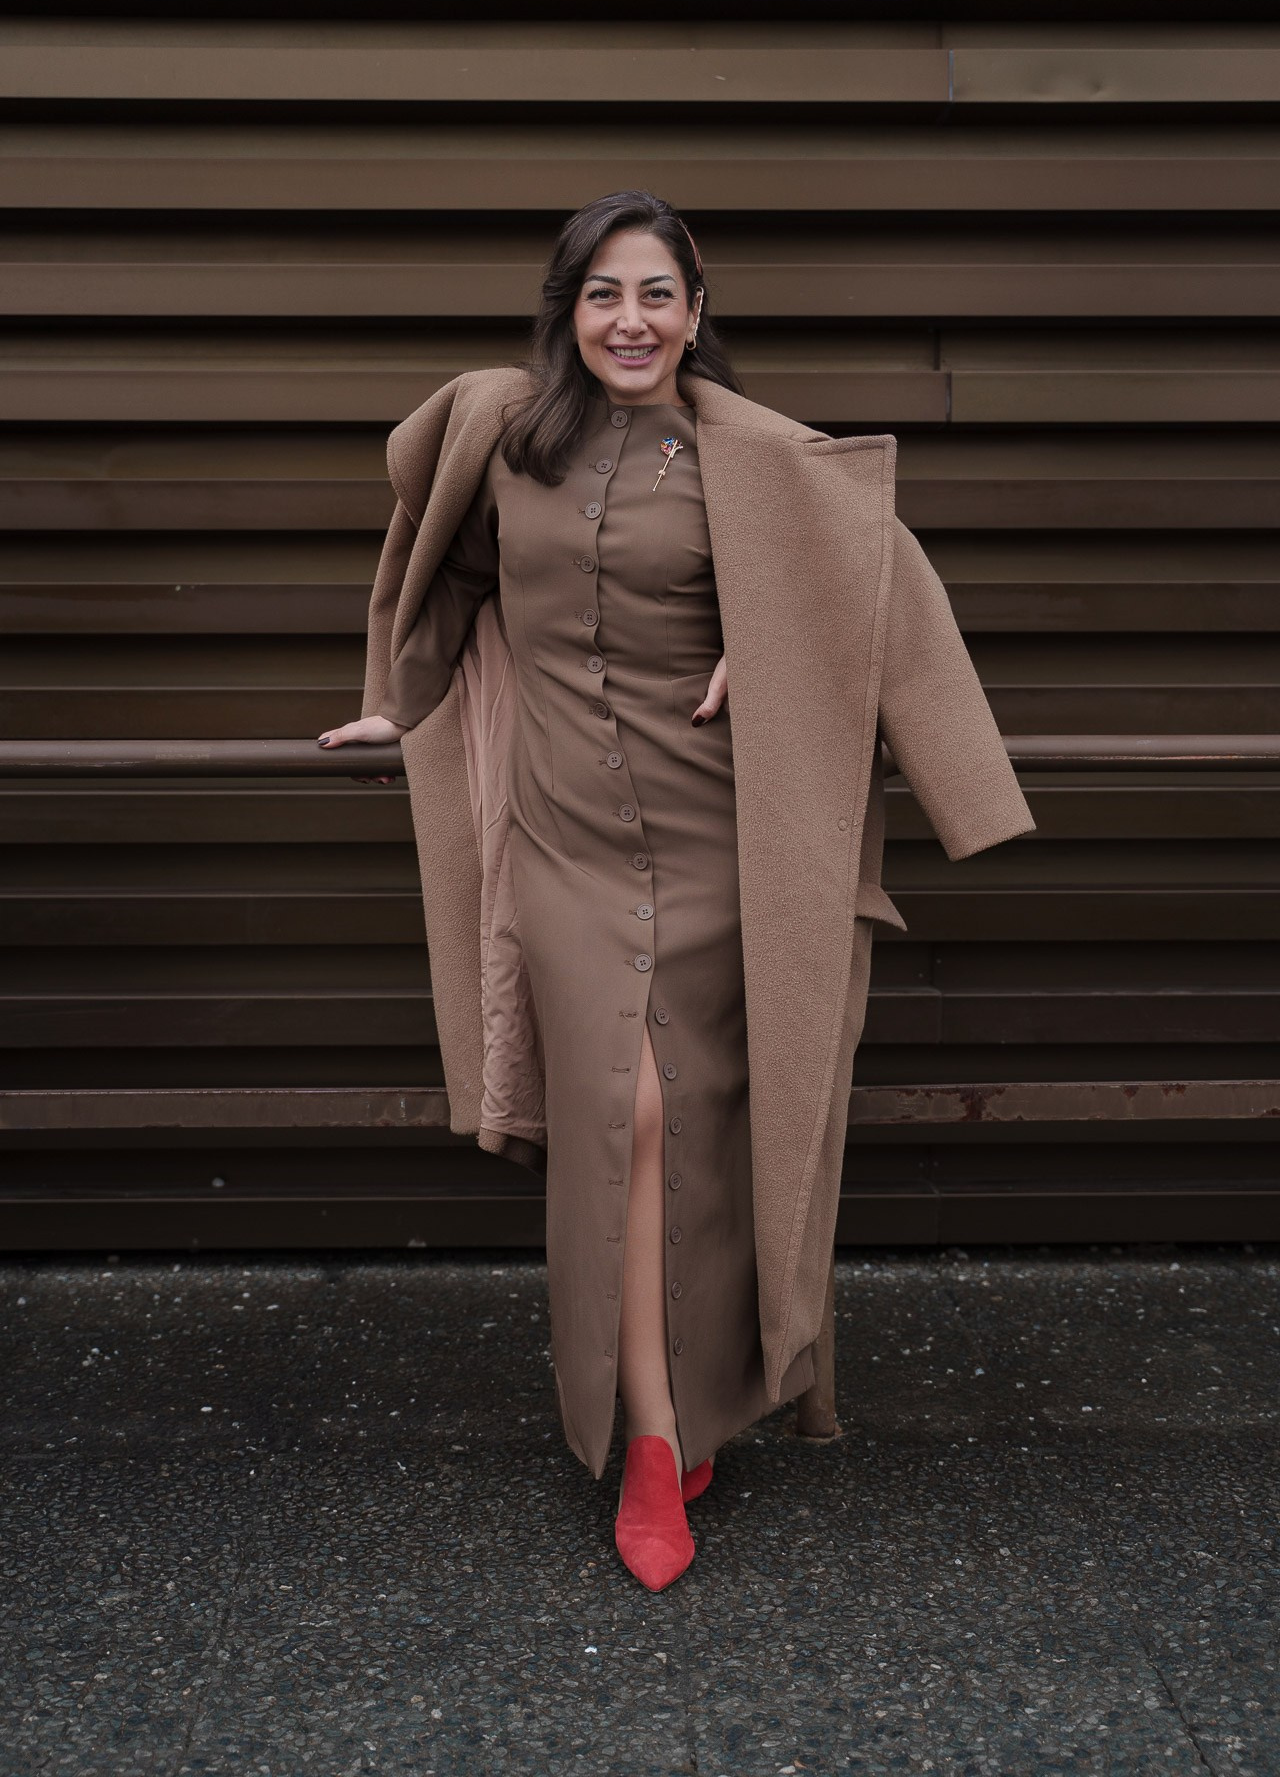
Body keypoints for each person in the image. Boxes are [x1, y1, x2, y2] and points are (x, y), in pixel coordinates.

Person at [318, 189, 1035, 1592]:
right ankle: (653, 1443)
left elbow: (882, 594)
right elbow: (442, 581)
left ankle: (695, 1407)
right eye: (603, 294)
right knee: (626, 1117)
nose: (630, 320)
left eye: (656, 294)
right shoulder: (501, 436)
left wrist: (785, 644)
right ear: (567, 311)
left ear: (697, 313)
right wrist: (396, 712)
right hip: (566, 841)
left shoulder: (760, 461)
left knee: (700, 1125)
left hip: (719, 843)